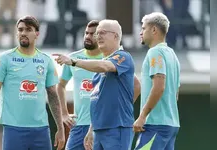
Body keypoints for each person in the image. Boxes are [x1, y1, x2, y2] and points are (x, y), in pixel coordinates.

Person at [53, 19, 140, 150]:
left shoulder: (123, 57)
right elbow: (98, 103)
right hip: (98, 128)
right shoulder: (98, 70)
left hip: (117, 127)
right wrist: (91, 130)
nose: (98, 36)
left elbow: (104, 66)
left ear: (116, 36)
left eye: (102, 33)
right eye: (97, 33)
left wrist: (74, 62)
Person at [0, 16, 65, 150]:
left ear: (37, 34)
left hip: (41, 129)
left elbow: (53, 95)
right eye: (20, 30)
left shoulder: (46, 61)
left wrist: (60, 128)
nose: (23, 33)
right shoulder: (5, 59)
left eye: (28, 30)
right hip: (13, 129)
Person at [133, 12, 180, 150]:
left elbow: (159, 87)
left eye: (143, 28)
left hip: (155, 125)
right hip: (171, 124)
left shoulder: (155, 52)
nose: (141, 32)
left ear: (154, 30)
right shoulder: (173, 55)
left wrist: (142, 116)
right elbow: (175, 94)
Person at [57, 20, 103, 150]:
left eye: (92, 34)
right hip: (78, 125)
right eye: (86, 33)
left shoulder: (108, 59)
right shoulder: (73, 58)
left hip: (100, 127)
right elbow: (60, 85)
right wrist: (64, 114)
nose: (88, 36)